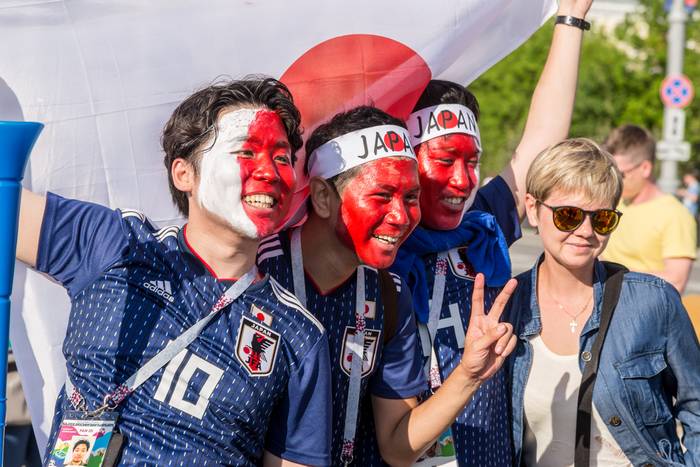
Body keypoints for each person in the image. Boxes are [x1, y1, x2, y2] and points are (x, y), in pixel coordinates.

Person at [15, 78, 333, 466]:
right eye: (246, 152)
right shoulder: (117, 244)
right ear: (184, 174)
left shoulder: (299, 335)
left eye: (282, 158)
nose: (269, 172)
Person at [258, 105, 518, 466]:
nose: (401, 217)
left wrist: (468, 375)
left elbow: (397, 446)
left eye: (410, 198)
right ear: (321, 196)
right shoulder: (259, 271)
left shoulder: (390, 293)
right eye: (382, 196)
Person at [392, 0, 593, 465]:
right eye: (444, 162)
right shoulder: (370, 245)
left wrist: (571, 18)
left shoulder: (480, 224)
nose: (462, 182)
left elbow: (540, 144)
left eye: (472, 162)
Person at [506, 138, 700, 466]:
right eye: (568, 215)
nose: (585, 231)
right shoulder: (507, 306)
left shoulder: (653, 302)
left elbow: (696, 404)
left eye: (602, 219)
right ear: (534, 209)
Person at [602, 124, 696, 294]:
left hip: (646, 314)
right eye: (609, 173)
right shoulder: (611, 203)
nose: (614, 180)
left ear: (645, 168)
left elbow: (676, 282)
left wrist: (612, 274)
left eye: (620, 174)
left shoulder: (675, 215)